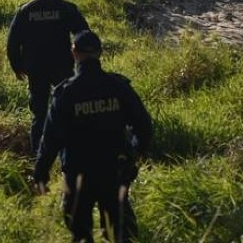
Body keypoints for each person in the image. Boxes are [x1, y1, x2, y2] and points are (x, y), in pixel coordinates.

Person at [33, 30, 153, 243]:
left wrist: (41, 174)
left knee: (80, 235)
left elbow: (51, 139)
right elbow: (143, 126)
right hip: (114, 170)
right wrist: (134, 153)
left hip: (78, 173)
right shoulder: (119, 87)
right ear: (100, 53)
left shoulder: (65, 93)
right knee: (120, 233)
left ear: (74, 53)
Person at [7, 0, 89, 154]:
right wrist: (84, 61)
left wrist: (17, 66)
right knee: (67, 109)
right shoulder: (67, 8)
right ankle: (69, 153)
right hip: (62, 66)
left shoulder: (26, 10)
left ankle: (37, 155)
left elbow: (13, 42)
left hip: (35, 68)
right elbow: (84, 35)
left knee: (40, 113)